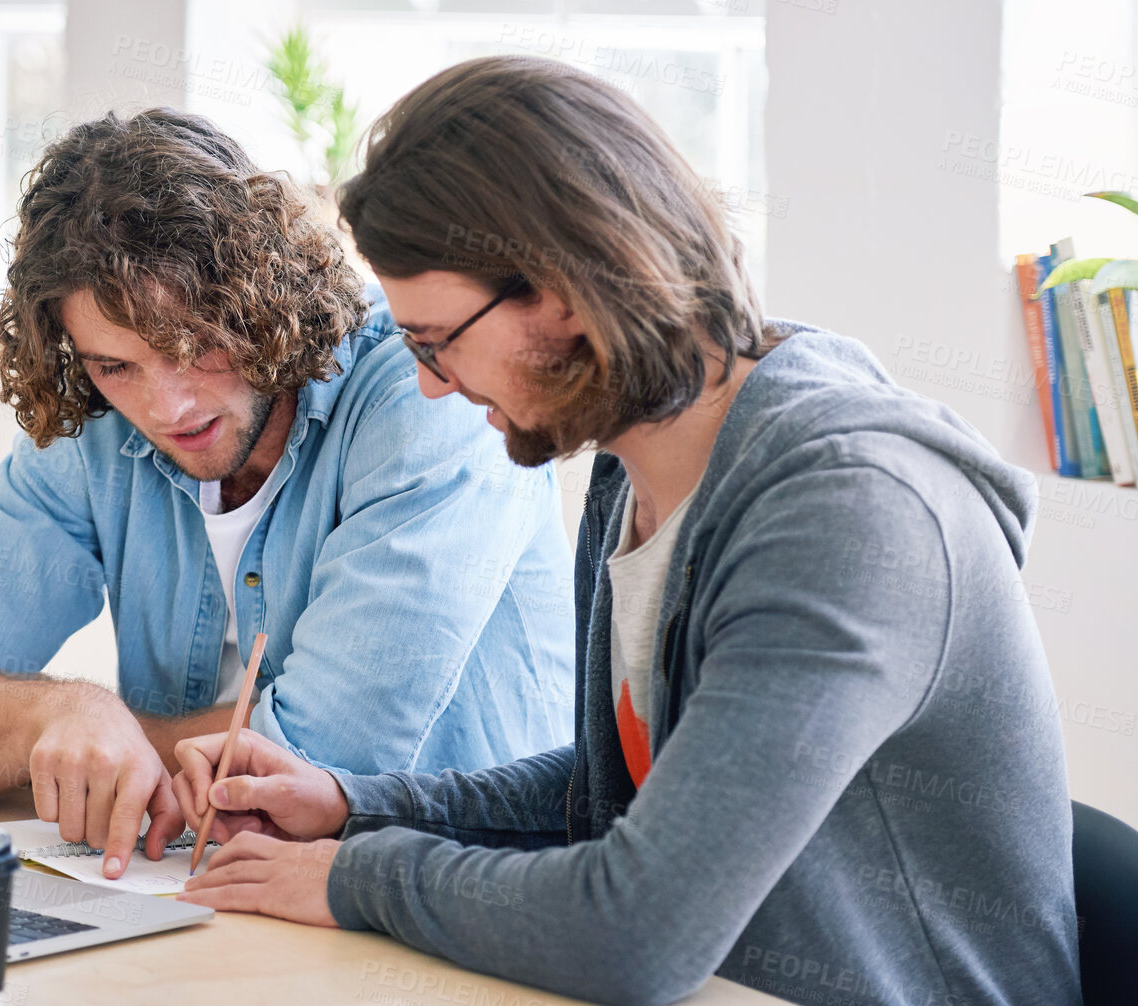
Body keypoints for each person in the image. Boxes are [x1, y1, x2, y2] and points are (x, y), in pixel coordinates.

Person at [171, 56, 1081, 1006]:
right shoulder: (631, 460)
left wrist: (358, 879)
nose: (432, 384)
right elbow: (616, 797)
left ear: (563, 293)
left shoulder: (851, 511)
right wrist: (353, 808)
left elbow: (639, 932)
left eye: (437, 342)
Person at [0, 108, 575, 880]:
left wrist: (77, 747)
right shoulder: (96, 416)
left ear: (262, 300)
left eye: (194, 347)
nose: (168, 408)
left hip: (440, 893)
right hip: (196, 883)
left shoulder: (430, 396)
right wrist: (59, 713)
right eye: (116, 366)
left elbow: (308, 766)